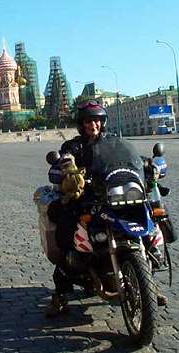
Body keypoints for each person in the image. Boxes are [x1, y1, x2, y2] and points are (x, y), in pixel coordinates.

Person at [45, 100, 168, 317]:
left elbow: (133, 160)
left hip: (118, 194)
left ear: (102, 122)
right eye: (87, 121)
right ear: (81, 124)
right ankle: (61, 292)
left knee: (153, 214)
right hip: (90, 198)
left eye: (96, 120)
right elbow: (64, 162)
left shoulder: (115, 142)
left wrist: (151, 166)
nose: (92, 124)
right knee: (66, 227)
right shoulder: (74, 146)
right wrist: (65, 168)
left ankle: (148, 278)